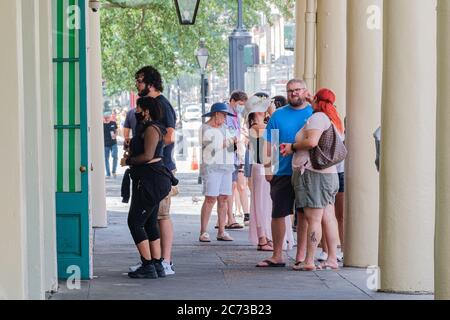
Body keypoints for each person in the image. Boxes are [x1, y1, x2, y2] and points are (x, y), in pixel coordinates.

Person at [282, 88, 343, 271]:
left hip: (313, 175)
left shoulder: (318, 118)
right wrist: (312, 98)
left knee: (313, 219)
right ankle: (332, 258)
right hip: (329, 175)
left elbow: (311, 142)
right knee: (328, 217)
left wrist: (292, 147)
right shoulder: (334, 119)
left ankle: (308, 260)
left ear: (316, 99)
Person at [256, 79, 313, 268]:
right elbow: (267, 144)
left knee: (304, 213)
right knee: (278, 213)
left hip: (307, 171)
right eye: (290, 91)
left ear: (305, 91)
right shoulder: (278, 116)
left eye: (297, 90)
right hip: (282, 171)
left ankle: (301, 254)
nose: (293, 93)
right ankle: (277, 255)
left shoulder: (314, 112)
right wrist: (266, 167)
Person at [130, 66, 177, 275]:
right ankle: (154, 261)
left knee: (161, 216)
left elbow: (170, 136)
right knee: (151, 218)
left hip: (159, 169)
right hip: (151, 170)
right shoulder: (149, 110)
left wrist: (150, 150)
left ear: (150, 82)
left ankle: (164, 262)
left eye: (140, 80)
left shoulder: (161, 106)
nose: (137, 84)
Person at [120, 96, 171, 279]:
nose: (136, 113)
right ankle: (156, 264)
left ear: (147, 110)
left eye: (138, 109)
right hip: (151, 180)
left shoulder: (151, 129)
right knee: (149, 222)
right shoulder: (150, 128)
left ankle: (148, 264)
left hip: (150, 180)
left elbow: (148, 155)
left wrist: (128, 161)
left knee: (135, 222)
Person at [245, 94, 294, 252]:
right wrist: (273, 112)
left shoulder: (261, 125)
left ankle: (266, 236)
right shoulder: (256, 127)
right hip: (260, 168)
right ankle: (262, 237)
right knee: (261, 204)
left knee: (267, 203)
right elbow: (276, 131)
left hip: (267, 167)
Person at [199, 103, 236, 242]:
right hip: (212, 167)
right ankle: (203, 231)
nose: (225, 118)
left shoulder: (225, 128)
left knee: (224, 198)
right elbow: (211, 147)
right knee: (210, 198)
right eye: (224, 115)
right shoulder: (205, 128)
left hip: (226, 166)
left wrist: (231, 142)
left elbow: (233, 146)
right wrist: (227, 142)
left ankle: (222, 231)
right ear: (216, 114)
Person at [224, 90, 249, 229]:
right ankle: (229, 218)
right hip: (228, 153)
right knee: (230, 186)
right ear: (233, 100)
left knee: (233, 186)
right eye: (240, 103)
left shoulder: (236, 114)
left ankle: (229, 218)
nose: (241, 106)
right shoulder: (226, 113)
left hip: (235, 154)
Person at [103, 112, 118, 179]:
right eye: (105, 118)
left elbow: (116, 130)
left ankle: (113, 171)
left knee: (114, 156)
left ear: (110, 117)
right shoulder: (102, 125)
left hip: (113, 143)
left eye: (108, 117)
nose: (107, 119)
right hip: (106, 144)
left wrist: (115, 134)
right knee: (106, 158)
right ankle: (108, 173)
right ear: (104, 118)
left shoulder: (113, 123)